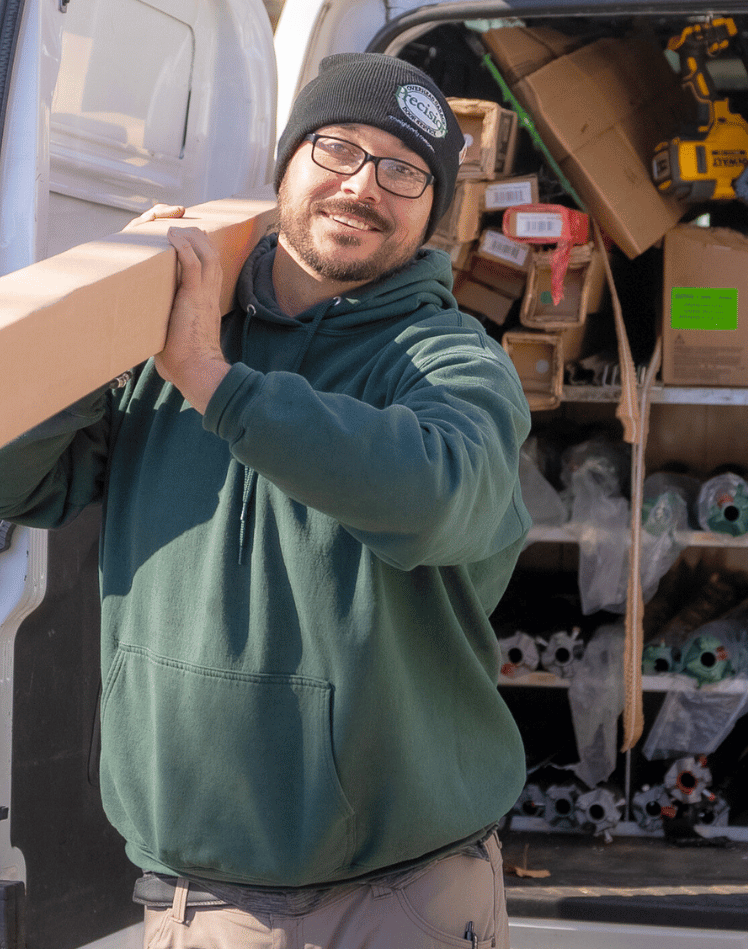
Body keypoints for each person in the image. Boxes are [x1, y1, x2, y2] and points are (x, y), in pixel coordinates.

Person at [0, 53, 532, 948]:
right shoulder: (174, 334)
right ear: (285, 162)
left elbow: (440, 492)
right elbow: (24, 482)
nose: (363, 186)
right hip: (199, 902)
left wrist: (214, 381)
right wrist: (105, 324)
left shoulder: (453, 360)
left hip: (400, 899)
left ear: (433, 211)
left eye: (404, 171)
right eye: (338, 148)